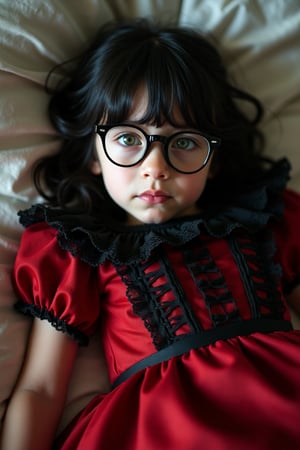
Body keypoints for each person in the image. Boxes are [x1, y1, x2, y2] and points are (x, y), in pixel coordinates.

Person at [1, 18, 300, 450]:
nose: (155, 168)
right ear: (93, 155)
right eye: (127, 138)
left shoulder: (265, 216)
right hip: (159, 427)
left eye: (183, 142)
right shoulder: (77, 249)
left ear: (213, 159)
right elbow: (42, 389)